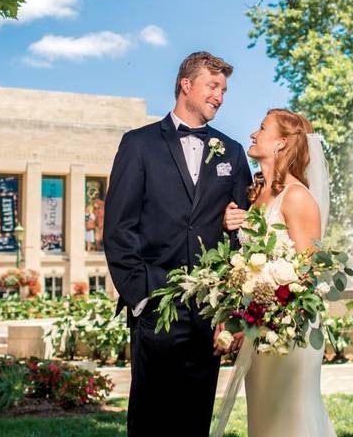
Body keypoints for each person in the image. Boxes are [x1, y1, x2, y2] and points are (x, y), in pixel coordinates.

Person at [103, 51, 252, 436]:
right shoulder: (139, 144)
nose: (219, 96)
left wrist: (232, 310)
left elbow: (244, 236)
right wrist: (142, 295)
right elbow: (119, 228)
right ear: (186, 85)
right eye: (213, 86)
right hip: (155, 304)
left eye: (223, 89)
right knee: (150, 418)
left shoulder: (232, 152)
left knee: (194, 418)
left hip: (208, 311)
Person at [222, 108, 337, 437]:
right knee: (264, 420)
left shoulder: (298, 197)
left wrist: (257, 316)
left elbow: (305, 275)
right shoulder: (257, 195)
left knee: (292, 420)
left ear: (281, 143)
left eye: (261, 128)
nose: (253, 134)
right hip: (259, 329)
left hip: (290, 331)